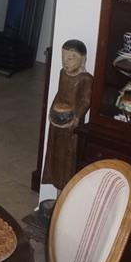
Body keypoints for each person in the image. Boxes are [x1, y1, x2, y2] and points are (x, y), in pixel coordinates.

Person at [41, 39, 93, 190]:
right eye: (63, 57)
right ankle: (55, 184)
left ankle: (64, 190)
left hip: (72, 124)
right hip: (57, 120)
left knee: (67, 156)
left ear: (82, 59)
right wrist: (51, 110)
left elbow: (85, 101)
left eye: (71, 58)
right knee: (54, 152)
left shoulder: (86, 79)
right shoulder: (62, 73)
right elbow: (60, 94)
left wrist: (76, 117)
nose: (66, 61)